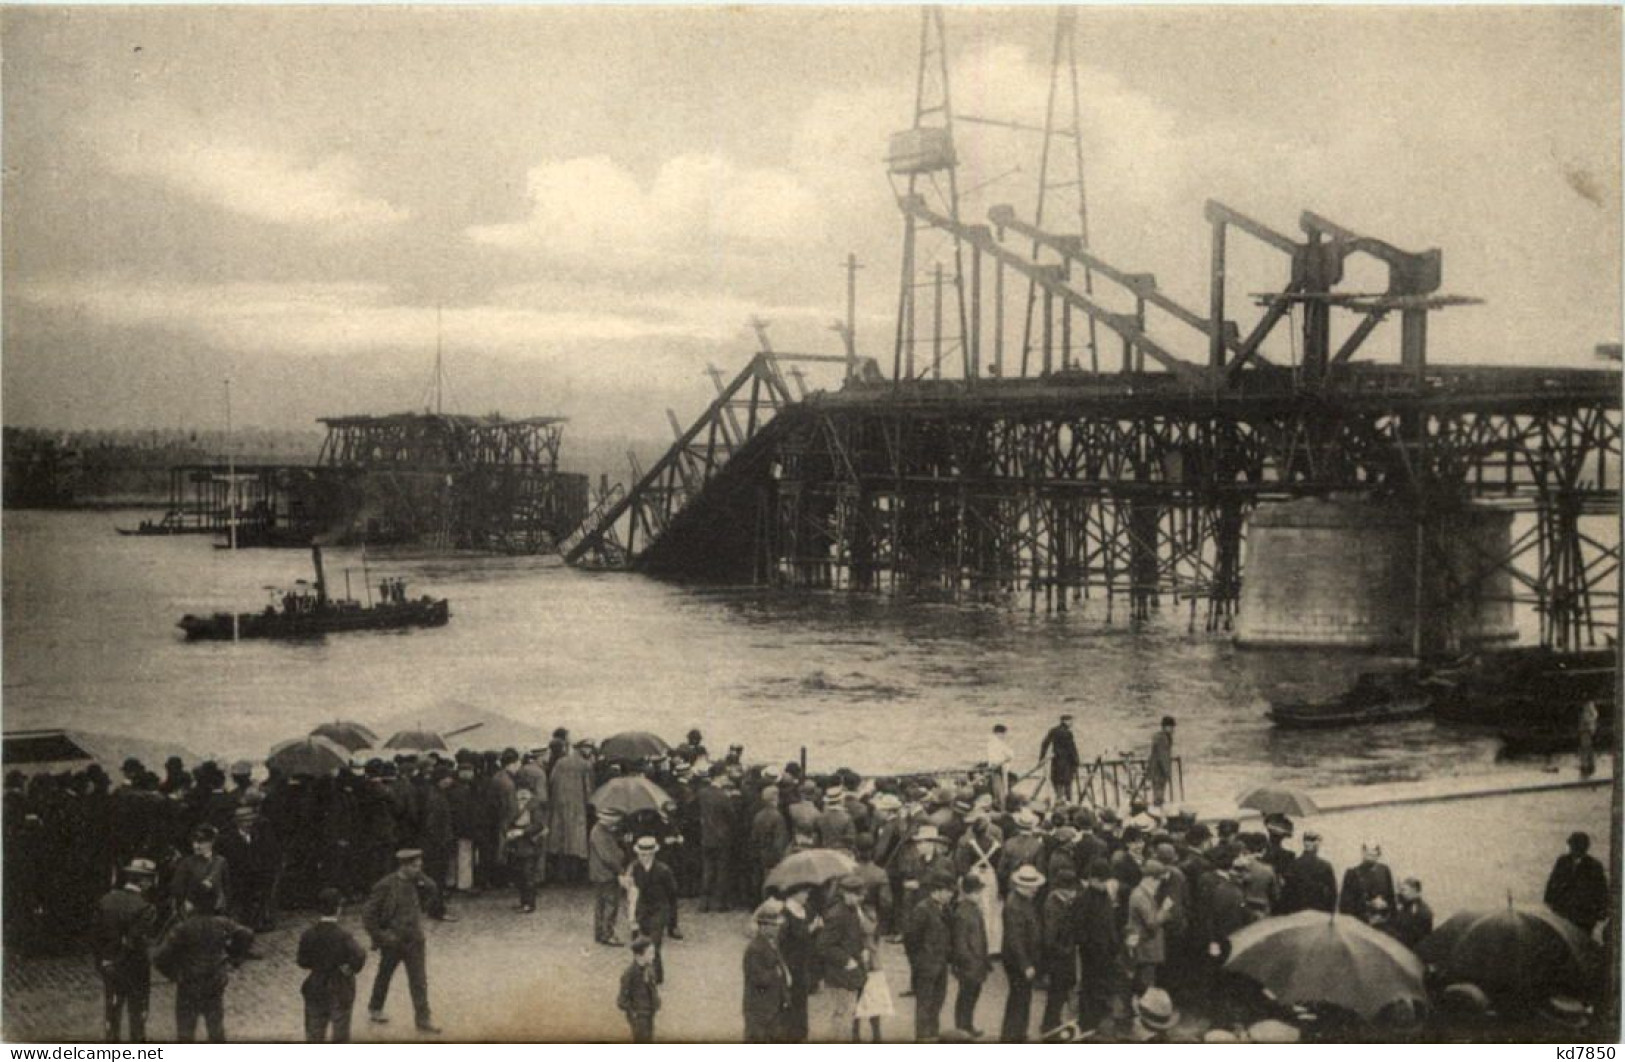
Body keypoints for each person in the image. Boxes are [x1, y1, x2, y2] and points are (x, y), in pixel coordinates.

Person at [151, 881, 253, 1043]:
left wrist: (174, 974)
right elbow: (246, 934)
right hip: (214, 983)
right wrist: (235, 958)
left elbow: (159, 957)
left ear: (191, 903)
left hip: (189, 985)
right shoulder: (223, 923)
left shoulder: (183, 927)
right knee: (216, 1029)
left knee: (186, 1032)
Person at [362, 848, 443, 1034]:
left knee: (419, 981)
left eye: (420, 866)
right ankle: (375, 1007)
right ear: (404, 866)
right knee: (385, 974)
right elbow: (368, 915)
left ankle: (423, 1019)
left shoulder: (418, 882)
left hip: (414, 939)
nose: (418, 870)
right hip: (393, 941)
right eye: (415, 866)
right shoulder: (386, 885)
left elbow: (433, 888)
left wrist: (421, 876)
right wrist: (381, 936)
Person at [92, 858, 160, 1042]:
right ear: (144, 882)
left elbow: (95, 937)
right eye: (150, 880)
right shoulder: (146, 908)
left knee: (112, 1015)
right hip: (135, 969)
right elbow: (134, 941)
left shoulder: (106, 900)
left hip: (109, 968)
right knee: (137, 1017)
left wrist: (104, 962)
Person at [296, 887, 368, 1043]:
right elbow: (359, 955)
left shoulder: (308, 934)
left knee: (314, 1033)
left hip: (315, 986)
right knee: (340, 1034)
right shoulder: (343, 935)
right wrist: (350, 968)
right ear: (338, 909)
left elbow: (302, 961)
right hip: (339, 987)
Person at [903, 869, 955, 1041]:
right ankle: (923, 1038)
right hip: (926, 965)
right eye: (949, 891)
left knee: (937, 1002)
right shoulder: (922, 909)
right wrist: (918, 962)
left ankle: (933, 1035)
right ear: (938, 890)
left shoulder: (945, 908)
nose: (951, 895)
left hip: (940, 964)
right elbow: (911, 939)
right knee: (925, 1004)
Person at [819, 874, 871, 1042]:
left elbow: (853, 938)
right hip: (840, 974)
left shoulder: (852, 911)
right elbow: (824, 946)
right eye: (856, 895)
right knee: (841, 1016)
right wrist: (847, 960)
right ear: (846, 893)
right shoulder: (837, 914)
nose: (859, 899)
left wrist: (862, 950)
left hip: (851, 973)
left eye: (860, 895)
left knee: (848, 1015)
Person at [627, 835, 679, 985]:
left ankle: (656, 977)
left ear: (652, 854)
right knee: (639, 943)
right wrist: (632, 917)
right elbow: (632, 892)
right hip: (642, 909)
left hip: (659, 910)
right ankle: (641, 975)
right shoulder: (635, 868)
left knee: (654, 944)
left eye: (646, 855)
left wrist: (671, 920)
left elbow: (672, 893)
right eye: (640, 855)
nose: (642, 858)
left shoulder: (663, 870)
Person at [1000, 865, 1044, 1043]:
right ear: (1023, 886)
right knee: (1019, 998)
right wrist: (1026, 965)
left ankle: (1018, 1033)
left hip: (1021, 959)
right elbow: (1015, 939)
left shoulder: (1022, 901)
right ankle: (1012, 1036)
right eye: (1033, 886)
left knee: (1022, 997)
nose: (1036, 889)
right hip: (1018, 961)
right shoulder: (1015, 906)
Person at [547, 739, 596, 883]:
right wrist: (590, 806)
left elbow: (552, 781)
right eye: (588, 748)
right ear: (582, 749)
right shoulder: (586, 765)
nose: (590, 751)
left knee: (561, 842)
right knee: (577, 844)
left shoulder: (560, 762)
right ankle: (575, 876)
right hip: (578, 809)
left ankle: (561, 875)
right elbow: (589, 790)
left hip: (559, 808)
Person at [949, 872, 991, 1038]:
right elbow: (960, 943)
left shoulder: (974, 909)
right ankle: (962, 1028)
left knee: (972, 996)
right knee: (966, 998)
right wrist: (967, 961)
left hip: (977, 962)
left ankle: (967, 1025)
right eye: (976, 892)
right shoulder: (962, 912)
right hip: (969, 964)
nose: (979, 895)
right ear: (967, 892)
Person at [1040, 868, 1081, 1036]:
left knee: (1059, 993)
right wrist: (1066, 949)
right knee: (1056, 994)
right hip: (1058, 959)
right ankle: (1049, 1027)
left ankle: (1052, 1024)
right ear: (1064, 889)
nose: (1074, 893)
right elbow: (1050, 938)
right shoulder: (1053, 906)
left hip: (1062, 956)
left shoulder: (1059, 902)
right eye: (1072, 890)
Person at [743, 902, 791, 1043]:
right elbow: (759, 979)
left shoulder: (772, 943)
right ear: (763, 927)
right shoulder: (755, 949)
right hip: (759, 1008)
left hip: (773, 1005)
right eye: (774, 925)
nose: (777, 928)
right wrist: (777, 973)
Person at [1545, 831, 1610, 933]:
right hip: (1563, 913)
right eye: (1573, 845)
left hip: (1584, 916)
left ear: (1585, 848)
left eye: (1579, 846)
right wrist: (1550, 900)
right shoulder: (1562, 861)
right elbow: (1553, 882)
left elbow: (1601, 890)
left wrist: (1601, 911)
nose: (1575, 849)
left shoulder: (1594, 866)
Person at [506, 787, 547, 914]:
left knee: (528, 873)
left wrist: (522, 832)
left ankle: (529, 904)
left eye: (525, 792)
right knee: (520, 873)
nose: (522, 794)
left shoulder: (534, 806)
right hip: (517, 843)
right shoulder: (515, 804)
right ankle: (524, 902)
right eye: (520, 791)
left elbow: (538, 825)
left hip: (529, 843)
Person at [590, 808, 627, 945]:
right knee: (610, 904)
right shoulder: (600, 833)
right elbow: (608, 857)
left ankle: (600, 933)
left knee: (601, 904)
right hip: (606, 874)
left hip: (600, 873)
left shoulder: (602, 831)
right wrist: (620, 870)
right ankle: (607, 934)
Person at [1280, 830, 1338, 914]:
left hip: (1297, 912)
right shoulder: (1325, 866)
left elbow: (1287, 893)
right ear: (1316, 844)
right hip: (1319, 912)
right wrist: (1330, 913)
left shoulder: (1293, 865)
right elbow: (1333, 893)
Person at [1339, 842, 1396, 923]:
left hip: (1382, 921)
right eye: (1368, 853)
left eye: (1374, 854)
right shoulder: (1352, 873)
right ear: (1363, 853)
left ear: (1378, 854)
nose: (1371, 857)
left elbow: (1391, 899)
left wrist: (1385, 906)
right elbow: (1345, 904)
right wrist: (1369, 904)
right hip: (1360, 920)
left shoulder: (1384, 871)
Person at [618, 938, 661, 1043]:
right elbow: (621, 1000)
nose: (653, 956)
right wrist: (634, 1012)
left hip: (649, 1013)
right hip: (639, 1016)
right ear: (639, 956)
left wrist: (656, 1003)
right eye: (650, 953)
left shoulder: (649, 969)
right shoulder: (630, 974)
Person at [1039, 714, 1081, 803]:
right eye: (1071, 721)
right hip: (1066, 763)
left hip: (1056, 761)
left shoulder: (1053, 731)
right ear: (1065, 721)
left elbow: (1044, 743)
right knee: (1067, 784)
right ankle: (1068, 802)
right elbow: (1071, 749)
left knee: (1057, 782)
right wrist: (1077, 761)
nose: (1072, 723)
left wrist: (1041, 758)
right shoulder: (1068, 733)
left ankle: (1059, 800)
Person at [1384, 877, 1434, 949]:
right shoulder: (1407, 906)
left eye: (1404, 890)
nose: (1401, 893)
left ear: (1414, 890)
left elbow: (1411, 936)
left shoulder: (1419, 911)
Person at [1147, 716, 1176, 807]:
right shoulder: (1162, 739)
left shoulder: (1162, 737)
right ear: (1165, 727)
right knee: (1159, 795)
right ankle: (1158, 813)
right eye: (1170, 727)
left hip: (1157, 770)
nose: (1172, 729)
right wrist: (1167, 772)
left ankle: (1158, 811)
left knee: (1158, 793)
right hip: (1159, 771)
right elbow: (1163, 757)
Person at [986, 724, 1016, 806]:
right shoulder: (998, 743)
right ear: (999, 733)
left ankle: (999, 803)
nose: (1004, 736)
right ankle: (1002, 805)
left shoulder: (991, 743)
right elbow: (1010, 754)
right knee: (1001, 791)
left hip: (995, 768)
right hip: (999, 768)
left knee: (997, 789)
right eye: (1003, 734)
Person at [1578, 701, 1599, 778]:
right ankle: (1588, 766)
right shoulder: (1588, 706)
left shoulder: (1589, 705)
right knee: (1587, 749)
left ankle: (1587, 767)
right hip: (1586, 730)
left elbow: (1593, 716)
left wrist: (1590, 724)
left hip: (1587, 730)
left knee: (1586, 749)